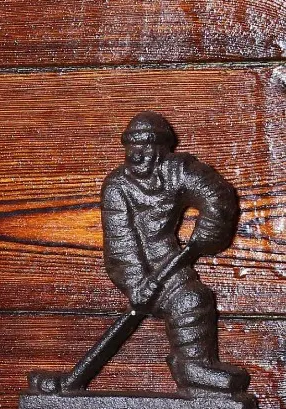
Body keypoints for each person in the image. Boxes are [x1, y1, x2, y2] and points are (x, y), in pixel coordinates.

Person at [101, 111, 247, 392]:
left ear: (162, 149)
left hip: (169, 259)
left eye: (146, 146)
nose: (137, 155)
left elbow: (216, 195)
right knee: (190, 299)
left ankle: (193, 366)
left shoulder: (178, 170)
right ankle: (191, 368)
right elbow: (120, 243)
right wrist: (137, 284)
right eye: (132, 146)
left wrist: (207, 233)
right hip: (142, 269)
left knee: (194, 299)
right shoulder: (117, 187)